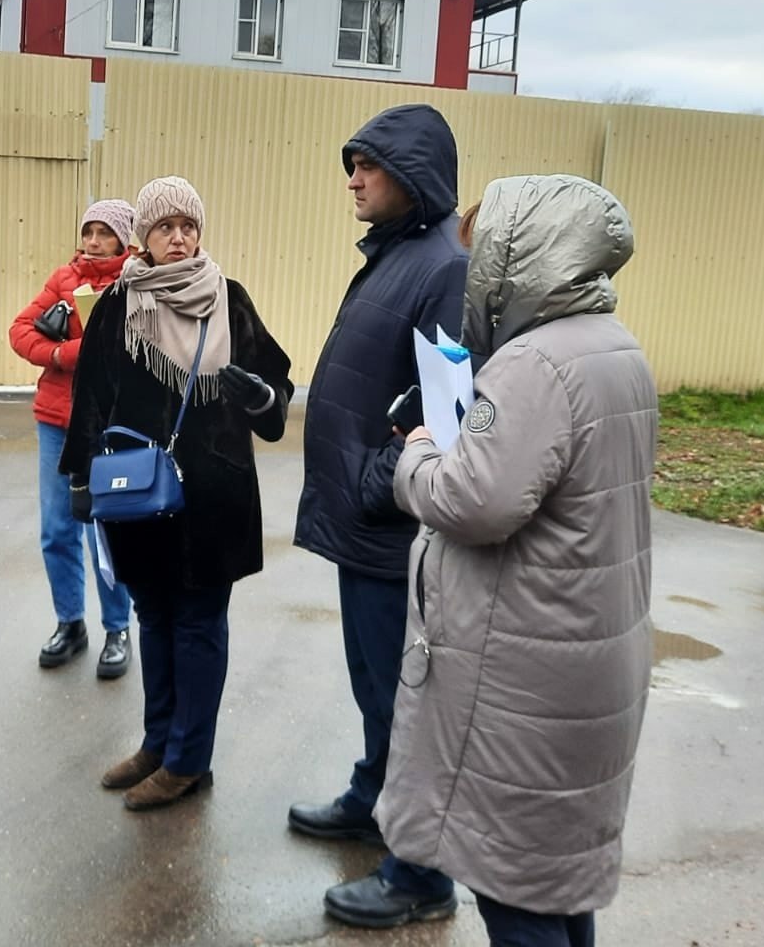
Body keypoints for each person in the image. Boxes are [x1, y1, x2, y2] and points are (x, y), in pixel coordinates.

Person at [374, 174, 657, 946]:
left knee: (515, 884)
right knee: (555, 881)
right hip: (582, 652)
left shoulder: (535, 364)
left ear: (518, 256)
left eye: (482, 256)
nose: (472, 274)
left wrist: (418, 455)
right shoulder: (614, 347)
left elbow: (474, 502)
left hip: (524, 670)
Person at [288, 104, 468, 925]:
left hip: (390, 526)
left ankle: (420, 873)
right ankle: (373, 796)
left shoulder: (441, 267)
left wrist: (373, 479)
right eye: (349, 162)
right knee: (374, 688)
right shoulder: (396, 254)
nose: (353, 177)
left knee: (405, 700)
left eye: (367, 163)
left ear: (414, 175)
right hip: (363, 521)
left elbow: (449, 411)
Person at [61, 176, 292, 811]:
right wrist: (80, 477)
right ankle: (159, 743)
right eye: (165, 227)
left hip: (215, 497)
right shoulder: (121, 302)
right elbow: (92, 395)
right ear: (145, 237)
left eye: (188, 225)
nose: (179, 237)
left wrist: (263, 398)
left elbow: (277, 385)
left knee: (198, 624)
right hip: (139, 496)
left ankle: (189, 760)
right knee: (155, 618)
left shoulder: (230, 300)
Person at [8, 199, 138, 677]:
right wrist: (63, 356)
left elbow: (139, 345)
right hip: (56, 420)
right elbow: (20, 331)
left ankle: (117, 628)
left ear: (124, 238)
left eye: (105, 232)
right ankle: (70, 624)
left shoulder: (137, 281)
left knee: (106, 529)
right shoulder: (64, 279)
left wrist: (89, 349)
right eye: (88, 231)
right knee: (56, 529)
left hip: (109, 424)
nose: (94, 241)